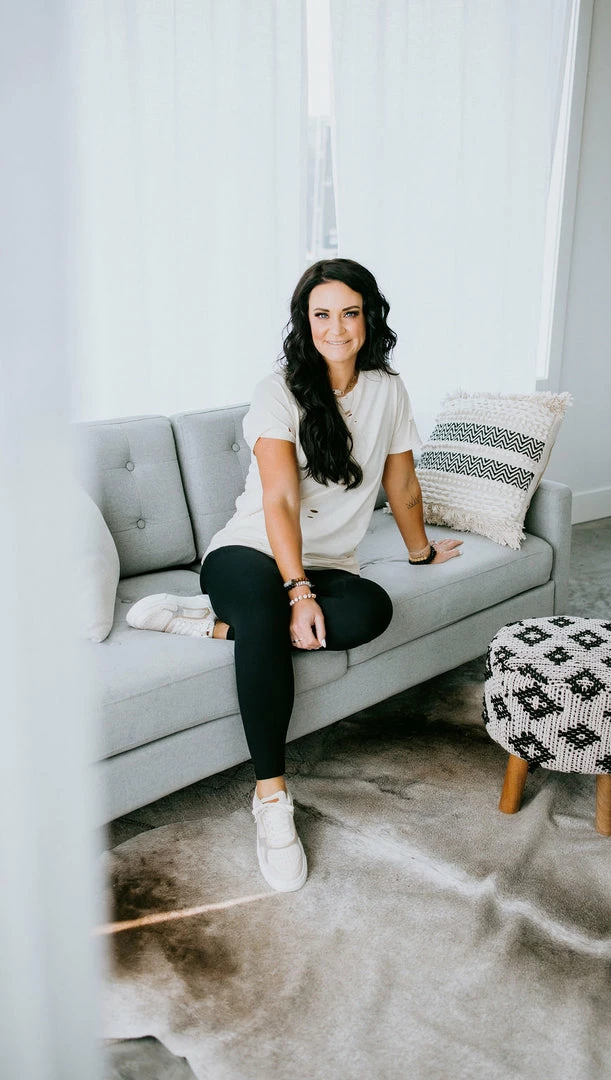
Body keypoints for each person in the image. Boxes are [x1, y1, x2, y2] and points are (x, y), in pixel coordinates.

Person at [126, 259, 462, 892]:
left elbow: (402, 483)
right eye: (321, 314)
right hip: (250, 550)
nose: (336, 328)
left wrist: (420, 552)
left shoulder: (388, 390)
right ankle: (272, 799)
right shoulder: (277, 391)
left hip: (329, 563)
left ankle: (207, 626)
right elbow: (279, 499)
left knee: (372, 611)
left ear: (370, 318)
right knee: (265, 613)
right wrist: (298, 590)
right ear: (304, 323)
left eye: (350, 313)